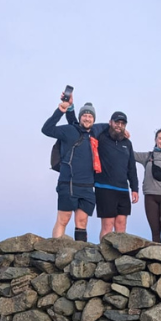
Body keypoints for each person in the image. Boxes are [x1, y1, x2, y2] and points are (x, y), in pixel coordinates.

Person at [41, 95, 105, 242]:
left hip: (87, 185)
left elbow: (112, 125)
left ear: (94, 119)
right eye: (85, 115)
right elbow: (46, 129)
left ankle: (80, 257)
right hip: (68, 182)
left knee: (82, 222)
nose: (87, 118)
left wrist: (124, 132)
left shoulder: (96, 131)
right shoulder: (69, 130)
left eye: (90, 116)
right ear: (80, 117)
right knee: (64, 219)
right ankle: (55, 251)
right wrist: (61, 111)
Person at [94, 112, 140, 240]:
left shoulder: (127, 143)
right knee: (107, 225)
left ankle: (119, 257)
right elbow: (91, 127)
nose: (119, 126)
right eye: (116, 122)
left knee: (121, 224)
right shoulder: (101, 138)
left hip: (123, 189)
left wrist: (135, 188)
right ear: (110, 122)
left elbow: (131, 167)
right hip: (104, 187)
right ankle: (104, 256)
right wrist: (108, 126)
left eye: (122, 124)